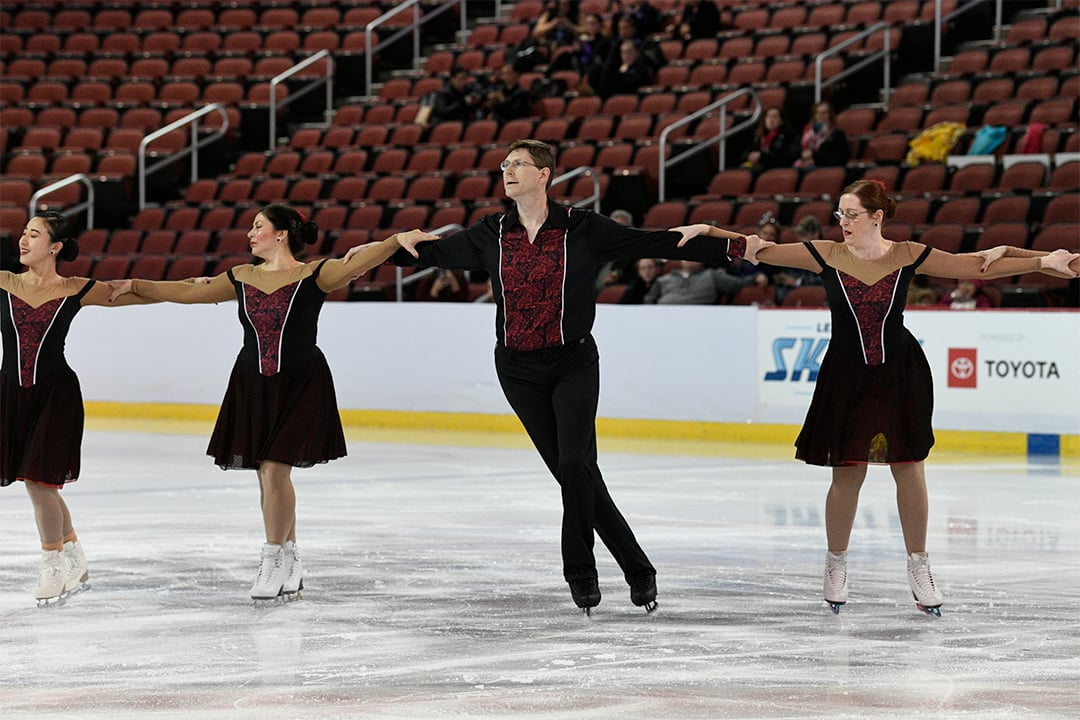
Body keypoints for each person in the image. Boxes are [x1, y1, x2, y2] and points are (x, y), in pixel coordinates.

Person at [346, 139, 770, 614]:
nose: (507, 170)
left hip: (573, 363)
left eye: (518, 164)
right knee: (577, 472)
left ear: (544, 174)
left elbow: (654, 242)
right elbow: (429, 254)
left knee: (574, 468)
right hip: (516, 369)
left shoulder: (580, 228)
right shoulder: (492, 232)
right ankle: (638, 570)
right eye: (504, 164)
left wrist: (736, 246)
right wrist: (388, 247)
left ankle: (581, 574)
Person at [676, 179, 1079, 616]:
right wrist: (708, 232)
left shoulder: (908, 254)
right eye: (840, 215)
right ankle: (835, 564)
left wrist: (1043, 260)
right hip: (846, 377)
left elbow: (975, 267)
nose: (844, 222)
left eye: (851, 214)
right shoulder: (825, 254)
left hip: (900, 374)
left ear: (876, 217)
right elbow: (761, 251)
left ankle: (919, 565)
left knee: (909, 467)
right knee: (848, 473)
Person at [109, 205, 437, 602]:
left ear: (281, 234)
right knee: (267, 475)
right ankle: (290, 557)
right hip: (252, 382)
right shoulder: (241, 277)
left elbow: (357, 263)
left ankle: (270, 557)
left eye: (258, 227)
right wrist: (138, 284)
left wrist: (394, 241)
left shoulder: (314, 274)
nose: (250, 233)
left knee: (274, 467)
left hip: (302, 382)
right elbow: (189, 291)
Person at [1, 211, 155, 606]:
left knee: (40, 481)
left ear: (54, 247)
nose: (23, 239)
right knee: (38, 481)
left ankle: (51, 559)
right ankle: (72, 552)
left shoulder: (76, 288)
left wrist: (156, 284)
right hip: (11, 393)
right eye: (23, 233)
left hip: (56, 395)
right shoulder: (4, 282)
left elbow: (133, 294)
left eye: (33, 234)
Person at [644, 259, 759, 304]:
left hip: (699, 321)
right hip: (663, 319)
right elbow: (649, 300)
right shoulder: (664, 279)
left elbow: (736, 284)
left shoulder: (711, 275)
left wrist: (756, 278)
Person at [772, 215, 825, 305]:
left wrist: (797, 282)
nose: (800, 239)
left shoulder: (826, 255)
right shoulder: (798, 252)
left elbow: (823, 281)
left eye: (803, 235)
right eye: (800, 235)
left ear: (815, 234)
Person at [414, 65, 484, 128]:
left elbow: (481, 93)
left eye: (465, 78)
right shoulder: (443, 93)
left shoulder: (467, 89)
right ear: (452, 79)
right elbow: (443, 113)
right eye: (460, 79)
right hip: (444, 124)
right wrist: (462, 102)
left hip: (463, 122)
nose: (463, 82)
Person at [740, 106, 798, 173]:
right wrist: (748, 156)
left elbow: (785, 158)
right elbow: (747, 152)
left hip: (775, 169)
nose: (771, 119)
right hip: (758, 166)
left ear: (782, 121)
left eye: (775, 116)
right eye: (768, 116)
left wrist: (762, 157)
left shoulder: (788, 136)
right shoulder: (759, 136)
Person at [794, 101, 850, 169]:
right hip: (802, 165)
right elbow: (794, 151)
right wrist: (803, 154)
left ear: (830, 115)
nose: (820, 116)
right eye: (817, 113)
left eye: (824, 113)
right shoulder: (805, 133)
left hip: (824, 168)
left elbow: (838, 160)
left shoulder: (837, 135)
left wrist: (813, 155)